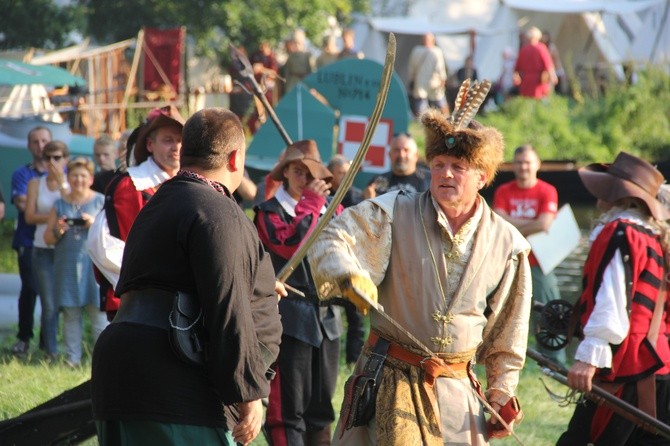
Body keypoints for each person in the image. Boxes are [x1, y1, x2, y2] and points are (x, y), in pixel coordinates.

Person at [308, 99, 532, 444]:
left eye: (458, 167)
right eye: (439, 164)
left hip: (458, 393)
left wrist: (501, 393)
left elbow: (509, 333)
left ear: (482, 177)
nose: (445, 174)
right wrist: (348, 275)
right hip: (388, 379)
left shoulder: (508, 243)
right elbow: (331, 238)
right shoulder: (392, 212)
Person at [91, 107, 283, 446]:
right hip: (172, 381)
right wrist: (248, 392)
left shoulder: (156, 204)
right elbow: (228, 310)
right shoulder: (218, 212)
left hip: (118, 371)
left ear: (187, 150)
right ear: (235, 158)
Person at [557, 152, 670, 445]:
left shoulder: (619, 232)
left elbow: (613, 299)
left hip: (626, 367)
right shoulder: (654, 237)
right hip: (659, 367)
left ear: (618, 194)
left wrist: (588, 358)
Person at [254, 140, 343, 445]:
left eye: (311, 173)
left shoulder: (331, 209)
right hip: (289, 320)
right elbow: (290, 245)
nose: (304, 178)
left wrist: (329, 209)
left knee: (321, 411)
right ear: (286, 173)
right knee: (287, 413)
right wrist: (311, 204)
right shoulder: (268, 212)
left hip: (327, 320)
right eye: (297, 171)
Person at [95, 105, 184, 320]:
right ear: (150, 144)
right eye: (168, 140)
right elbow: (105, 245)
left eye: (181, 141)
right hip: (135, 301)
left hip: (177, 300)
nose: (176, 147)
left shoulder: (187, 184)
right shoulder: (131, 185)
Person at [492, 144, 565, 365]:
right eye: (519, 162)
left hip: (540, 262)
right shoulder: (503, 191)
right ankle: (502, 355)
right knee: (505, 309)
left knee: (551, 310)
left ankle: (554, 361)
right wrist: (530, 226)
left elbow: (545, 224)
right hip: (511, 261)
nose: (523, 167)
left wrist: (513, 228)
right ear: (513, 165)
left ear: (537, 164)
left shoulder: (547, 190)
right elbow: (499, 221)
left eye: (528, 162)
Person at [44, 157, 107, 367]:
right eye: (74, 175)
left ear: (90, 179)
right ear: (68, 178)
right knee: (71, 314)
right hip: (68, 266)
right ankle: (72, 359)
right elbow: (47, 239)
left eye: (83, 176)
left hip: (93, 266)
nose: (78, 179)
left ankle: (102, 361)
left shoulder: (101, 201)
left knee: (99, 314)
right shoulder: (59, 203)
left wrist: (93, 224)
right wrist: (59, 230)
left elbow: (110, 236)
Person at [24, 141, 70, 359]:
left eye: (57, 157)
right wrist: (55, 217)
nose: (52, 162)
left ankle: (67, 348)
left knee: (65, 304)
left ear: (65, 159)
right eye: (47, 158)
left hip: (65, 251)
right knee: (49, 304)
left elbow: (74, 209)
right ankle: (51, 351)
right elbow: (29, 216)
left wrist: (62, 185)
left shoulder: (72, 183)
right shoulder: (36, 183)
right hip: (41, 250)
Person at [9, 126, 51, 355]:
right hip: (27, 240)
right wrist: (55, 213)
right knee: (31, 288)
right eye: (35, 141)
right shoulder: (22, 174)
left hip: (53, 240)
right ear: (29, 146)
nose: (40, 145)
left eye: (44, 140)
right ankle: (24, 337)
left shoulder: (62, 173)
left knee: (51, 294)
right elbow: (24, 206)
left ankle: (48, 342)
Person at [327, 154, 364, 365]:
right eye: (340, 173)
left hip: (350, 263)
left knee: (356, 318)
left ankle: (353, 361)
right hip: (328, 264)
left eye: (347, 173)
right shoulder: (321, 196)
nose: (344, 177)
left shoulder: (358, 198)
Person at [363, 133, 430, 199]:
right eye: (396, 150)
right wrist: (369, 202)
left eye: (406, 150)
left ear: (416, 155)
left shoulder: (430, 180)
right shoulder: (378, 181)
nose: (401, 155)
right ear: (389, 155)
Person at [407, 33, 448, 117]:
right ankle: (448, 120)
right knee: (440, 103)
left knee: (421, 106)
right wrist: (443, 80)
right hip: (434, 81)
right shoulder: (437, 51)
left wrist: (412, 80)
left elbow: (412, 68)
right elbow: (440, 68)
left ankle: (422, 122)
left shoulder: (416, 50)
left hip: (420, 82)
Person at [513, 27, 557, 99]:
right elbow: (548, 64)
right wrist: (553, 76)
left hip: (526, 82)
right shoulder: (541, 48)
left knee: (527, 102)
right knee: (540, 102)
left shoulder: (523, 49)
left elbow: (517, 68)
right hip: (539, 81)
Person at [282, 29, 314, 95]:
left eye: (298, 43)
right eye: (294, 43)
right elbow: (287, 72)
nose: (296, 45)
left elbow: (312, 71)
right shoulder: (291, 56)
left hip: (304, 84)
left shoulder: (307, 55)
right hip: (293, 84)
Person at [541, 30, 566, 95]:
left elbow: (548, 57)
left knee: (559, 89)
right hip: (551, 70)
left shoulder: (551, 46)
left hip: (557, 70)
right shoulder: (543, 47)